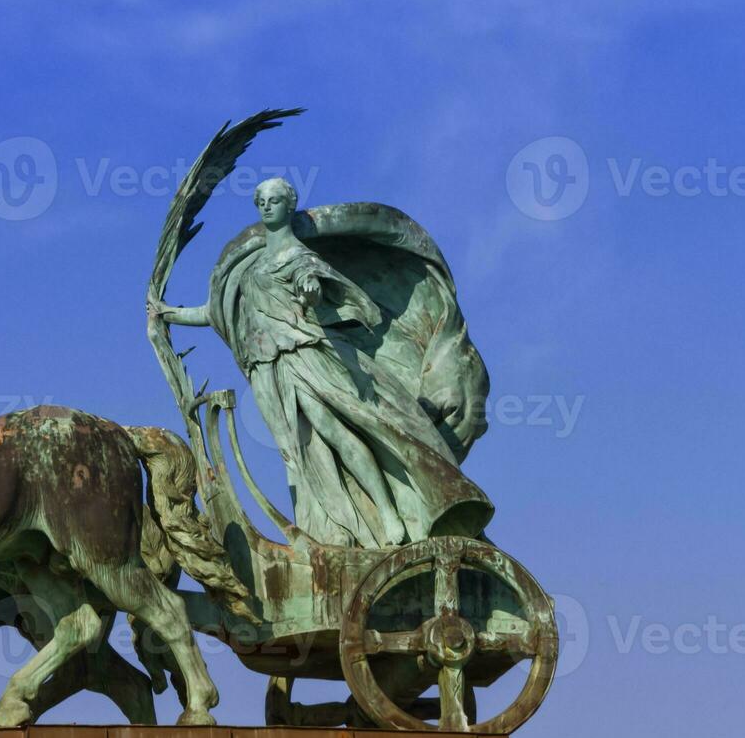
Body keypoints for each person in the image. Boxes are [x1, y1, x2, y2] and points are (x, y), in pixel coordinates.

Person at [149, 177, 490, 547]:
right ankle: (323, 527)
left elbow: (313, 284)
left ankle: (390, 515)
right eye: (261, 200)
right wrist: (167, 313)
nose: (267, 206)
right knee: (295, 452)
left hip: (305, 358)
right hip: (267, 370)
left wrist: (311, 289)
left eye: (275, 200)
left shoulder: (299, 257)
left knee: (339, 434)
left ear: (290, 205)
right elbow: (214, 313)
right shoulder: (250, 267)